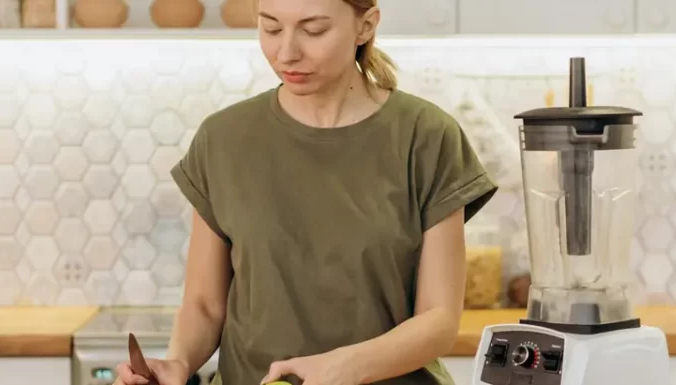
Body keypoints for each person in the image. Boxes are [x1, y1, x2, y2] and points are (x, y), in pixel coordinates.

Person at [114, 0, 498, 383]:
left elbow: (439, 321)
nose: (287, 52)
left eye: (314, 30)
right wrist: (179, 362)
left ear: (365, 26)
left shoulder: (426, 137)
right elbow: (204, 306)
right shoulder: (223, 140)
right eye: (271, 28)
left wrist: (341, 368)